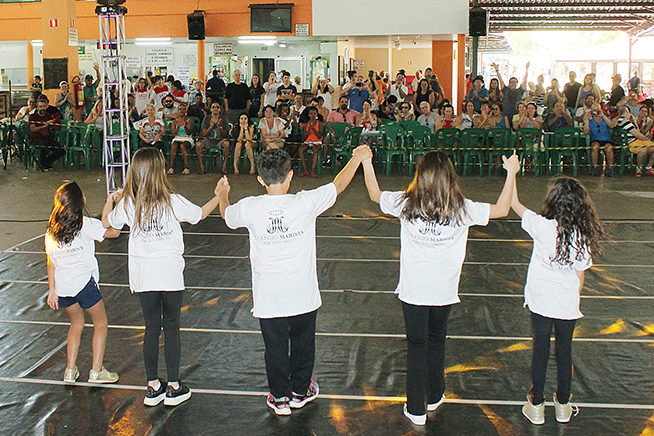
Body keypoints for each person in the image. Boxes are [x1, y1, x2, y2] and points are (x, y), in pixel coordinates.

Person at [361, 150, 520, 426]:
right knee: (436, 341)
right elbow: (502, 209)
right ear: (450, 178)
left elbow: (375, 194)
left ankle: (416, 409)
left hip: (413, 292)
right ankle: (434, 395)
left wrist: (366, 162)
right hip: (444, 291)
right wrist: (511, 174)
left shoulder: (406, 204)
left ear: (419, 177)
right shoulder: (461, 208)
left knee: (416, 346)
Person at [220, 145, 372, 415]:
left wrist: (223, 194)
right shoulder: (304, 202)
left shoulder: (250, 207)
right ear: (290, 175)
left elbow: (226, 215)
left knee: (275, 347)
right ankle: (300, 390)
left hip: (270, 297)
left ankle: (279, 397)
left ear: (260, 178)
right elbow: (337, 185)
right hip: (302, 293)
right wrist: (357, 159)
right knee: (303, 343)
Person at [103, 147, 223, 407]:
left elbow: (107, 224)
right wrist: (219, 195)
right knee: (171, 327)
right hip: (169, 276)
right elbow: (200, 214)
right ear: (160, 172)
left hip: (144, 277)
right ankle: (174, 386)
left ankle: (152, 386)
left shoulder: (128, 203)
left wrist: (112, 200)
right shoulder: (173, 200)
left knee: (151, 327)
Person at [513, 176, 610, 425]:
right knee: (564, 353)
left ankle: (536, 405)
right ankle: (563, 405)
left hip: (540, 301)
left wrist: (512, 173)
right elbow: (580, 276)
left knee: (540, 351)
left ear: (552, 201)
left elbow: (514, 203)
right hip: (566, 304)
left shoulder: (542, 226)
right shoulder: (581, 237)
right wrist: (572, 299)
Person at [46, 182, 121, 384]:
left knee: (76, 324)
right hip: (84, 286)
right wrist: (115, 205)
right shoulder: (84, 224)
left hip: (64, 289)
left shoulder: (51, 231)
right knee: (101, 323)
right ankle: (96, 371)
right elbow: (113, 231)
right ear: (80, 202)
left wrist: (52, 290)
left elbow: (51, 261)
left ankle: (70, 371)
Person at [615, 106, 654, 177]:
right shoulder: (624, 121)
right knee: (643, 150)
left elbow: (637, 131)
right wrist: (646, 139)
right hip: (631, 142)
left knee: (652, 146)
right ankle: (639, 168)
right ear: (627, 112)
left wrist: (634, 122)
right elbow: (637, 134)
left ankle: (648, 167)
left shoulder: (624, 121)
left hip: (636, 140)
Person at [29, 97, 64, 170]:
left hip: (47, 137)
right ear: (37, 107)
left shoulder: (48, 116)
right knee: (43, 147)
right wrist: (45, 125)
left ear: (47, 107)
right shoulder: (33, 116)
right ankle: (43, 164)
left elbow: (57, 128)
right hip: (37, 138)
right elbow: (33, 129)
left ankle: (47, 162)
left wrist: (53, 123)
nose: (42, 108)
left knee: (61, 150)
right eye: (40, 106)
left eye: (44, 106)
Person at [583, 103, 616, 176]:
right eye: (594, 110)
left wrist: (603, 116)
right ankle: (595, 167)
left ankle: (610, 168)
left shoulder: (605, 119)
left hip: (606, 139)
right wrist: (587, 119)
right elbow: (585, 132)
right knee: (595, 147)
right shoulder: (590, 121)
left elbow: (612, 126)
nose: (596, 112)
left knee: (609, 148)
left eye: (597, 110)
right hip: (595, 139)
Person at [196, 102, 229, 175]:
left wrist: (220, 127)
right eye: (213, 107)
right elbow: (204, 134)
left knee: (227, 144)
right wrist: (210, 127)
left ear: (220, 109)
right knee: (198, 145)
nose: (215, 109)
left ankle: (224, 167)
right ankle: (202, 167)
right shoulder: (206, 118)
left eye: (217, 107)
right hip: (208, 140)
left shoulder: (223, 119)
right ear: (210, 109)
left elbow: (225, 134)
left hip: (220, 140)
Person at [167, 103, 195, 175]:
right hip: (177, 138)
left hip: (187, 138)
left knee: (183, 146)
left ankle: (186, 167)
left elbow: (189, 132)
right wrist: (178, 127)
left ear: (185, 111)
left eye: (183, 109)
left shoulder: (190, 120)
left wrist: (185, 126)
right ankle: (171, 167)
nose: (182, 111)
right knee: (174, 145)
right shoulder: (174, 121)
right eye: (180, 109)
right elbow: (173, 133)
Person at [298, 106, 324, 178]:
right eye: (311, 114)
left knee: (315, 150)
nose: (312, 115)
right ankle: (305, 170)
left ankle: (313, 171)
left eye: (314, 113)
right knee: (301, 149)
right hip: (308, 142)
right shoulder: (306, 124)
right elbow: (304, 137)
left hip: (317, 142)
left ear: (317, 115)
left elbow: (320, 136)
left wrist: (314, 129)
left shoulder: (320, 123)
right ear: (308, 115)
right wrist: (309, 129)